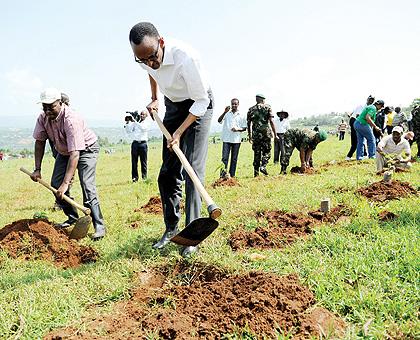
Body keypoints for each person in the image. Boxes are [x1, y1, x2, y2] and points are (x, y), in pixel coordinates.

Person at [129, 22, 213, 257]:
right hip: (174, 105)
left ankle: (192, 237)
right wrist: (154, 97)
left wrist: (178, 132)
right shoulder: (145, 56)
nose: (149, 63)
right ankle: (171, 228)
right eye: (142, 60)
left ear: (161, 43)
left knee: (192, 170)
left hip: (198, 105)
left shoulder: (186, 58)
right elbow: (151, 72)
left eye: (152, 57)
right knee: (167, 173)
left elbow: (201, 102)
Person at [30, 88, 106, 240]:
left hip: (86, 149)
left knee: (87, 185)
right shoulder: (42, 117)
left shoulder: (71, 120)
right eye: (44, 106)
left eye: (51, 106)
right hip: (64, 151)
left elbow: (75, 153)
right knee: (56, 184)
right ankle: (72, 217)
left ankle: (99, 225)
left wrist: (67, 183)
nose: (47, 110)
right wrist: (37, 169)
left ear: (60, 103)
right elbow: (39, 142)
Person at [247, 94, 277, 177]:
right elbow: (271, 121)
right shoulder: (267, 107)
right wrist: (275, 134)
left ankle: (256, 173)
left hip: (256, 135)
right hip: (266, 134)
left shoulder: (251, 109)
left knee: (256, 153)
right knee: (267, 152)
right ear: (263, 100)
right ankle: (263, 166)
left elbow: (248, 124)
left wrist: (250, 136)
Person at [217, 98, 246, 178]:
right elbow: (219, 121)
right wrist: (224, 112)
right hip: (226, 139)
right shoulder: (227, 114)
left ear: (238, 104)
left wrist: (237, 129)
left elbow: (244, 128)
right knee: (224, 158)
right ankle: (222, 176)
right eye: (232, 104)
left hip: (236, 140)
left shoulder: (242, 115)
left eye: (235, 104)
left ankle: (232, 176)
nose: (234, 105)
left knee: (234, 159)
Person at [124, 110, 150, 182]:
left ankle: (144, 178)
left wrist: (134, 121)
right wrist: (127, 122)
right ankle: (135, 178)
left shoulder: (146, 123)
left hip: (143, 144)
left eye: (143, 115)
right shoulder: (135, 123)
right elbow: (129, 131)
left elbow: (143, 128)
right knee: (134, 162)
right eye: (141, 114)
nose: (141, 116)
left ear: (146, 116)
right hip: (135, 144)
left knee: (143, 162)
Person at [346, 95, 374, 160]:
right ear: (367, 99)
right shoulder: (362, 106)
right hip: (355, 121)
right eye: (370, 99)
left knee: (361, 138)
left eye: (372, 100)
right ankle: (349, 156)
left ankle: (364, 154)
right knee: (357, 140)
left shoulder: (368, 107)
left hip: (358, 121)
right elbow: (358, 116)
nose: (371, 101)